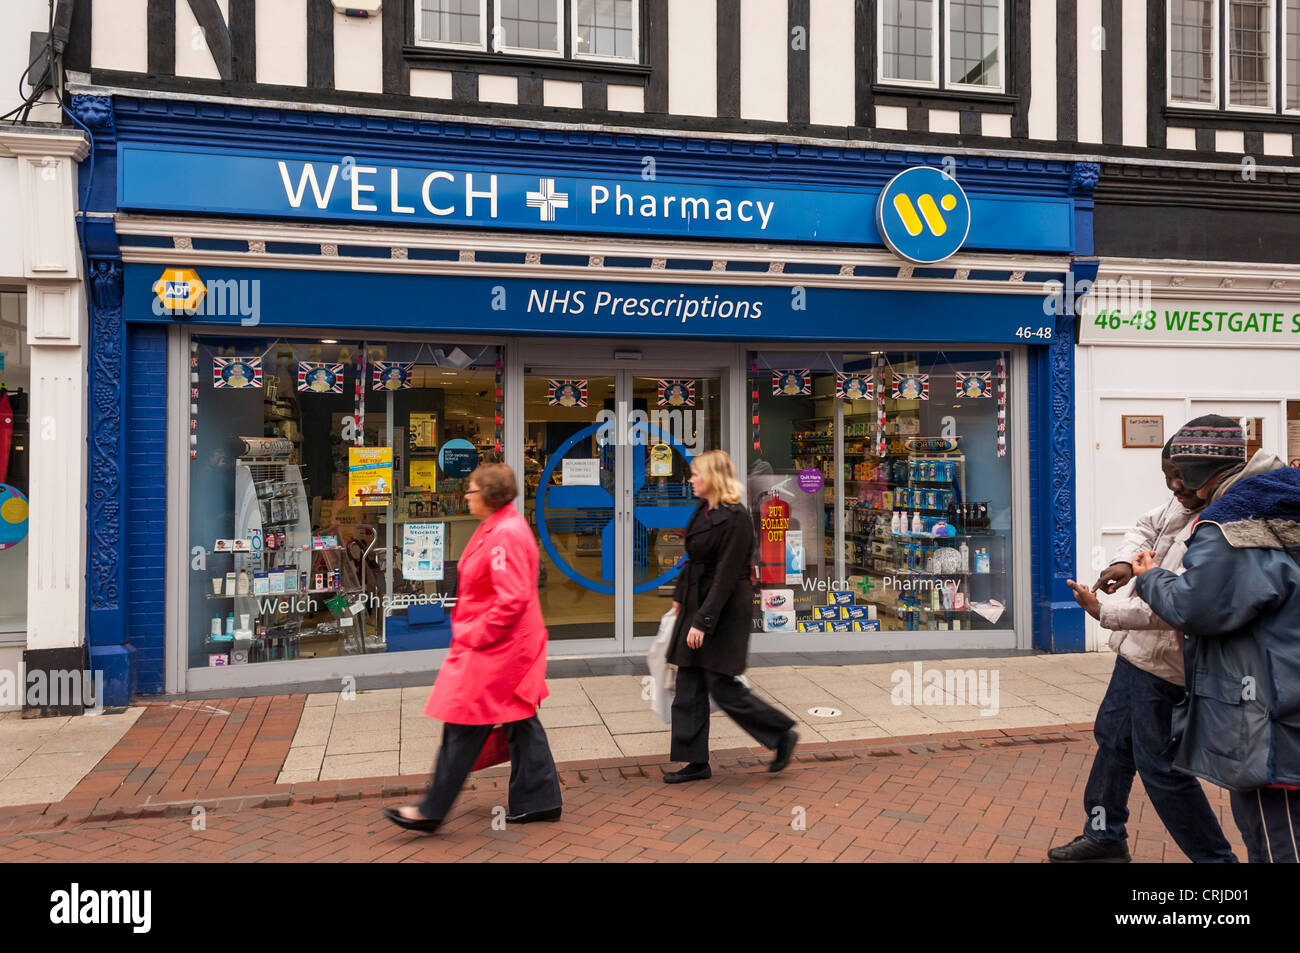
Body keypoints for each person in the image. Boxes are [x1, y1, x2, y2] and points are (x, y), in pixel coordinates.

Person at [1048, 440, 1236, 862]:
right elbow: (1145, 526)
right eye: (1166, 475)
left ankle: (1216, 860)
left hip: (1168, 666)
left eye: (1179, 476)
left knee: (1162, 768)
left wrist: (1103, 611)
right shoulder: (1182, 504)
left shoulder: (1219, 523)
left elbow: (1178, 607)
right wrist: (1121, 562)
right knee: (1112, 741)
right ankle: (1104, 833)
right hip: (1136, 655)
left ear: (1209, 470)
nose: (1172, 486)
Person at [1133, 415, 1299, 863]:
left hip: (1271, 707)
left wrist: (1151, 578)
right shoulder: (1284, 499)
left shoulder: (1232, 524)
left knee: (1277, 837)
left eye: (1175, 474)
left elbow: (1197, 607)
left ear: (1198, 470)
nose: (1173, 486)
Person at [385, 463, 562, 832]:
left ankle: (432, 810)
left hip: (498, 649)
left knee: (463, 721)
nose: (466, 495)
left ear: (488, 495)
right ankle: (540, 799)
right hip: (501, 644)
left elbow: (510, 599)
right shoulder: (499, 526)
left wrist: (477, 634)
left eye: (471, 489)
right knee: (519, 721)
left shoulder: (505, 534)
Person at [663, 450, 798, 783]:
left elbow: (725, 576)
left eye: (697, 474)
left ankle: (781, 734)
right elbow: (694, 561)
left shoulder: (736, 518)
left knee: (722, 686)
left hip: (723, 610)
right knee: (689, 682)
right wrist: (680, 600)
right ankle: (695, 762)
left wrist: (702, 622)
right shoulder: (703, 511)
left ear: (713, 478)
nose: (692, 480)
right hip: (697, 602)